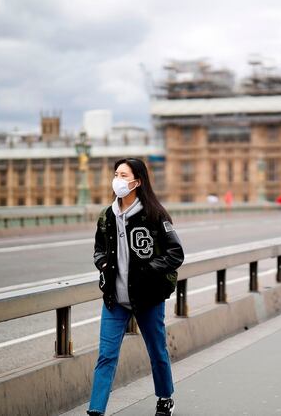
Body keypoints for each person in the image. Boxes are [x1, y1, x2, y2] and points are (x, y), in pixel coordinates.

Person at [88, 158, 184, 416]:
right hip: (114, 299)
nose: (117, 179)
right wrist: (103, 264)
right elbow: (98, 249)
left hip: (148, 298)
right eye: (116, 174)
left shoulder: (154, 215)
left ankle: (165, 398)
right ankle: (96, 410)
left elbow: (176, 253)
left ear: (137, 182)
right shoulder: (107, 215)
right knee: (106, 355)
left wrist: (148, 271)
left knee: (156, 350)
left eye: (123, 175)